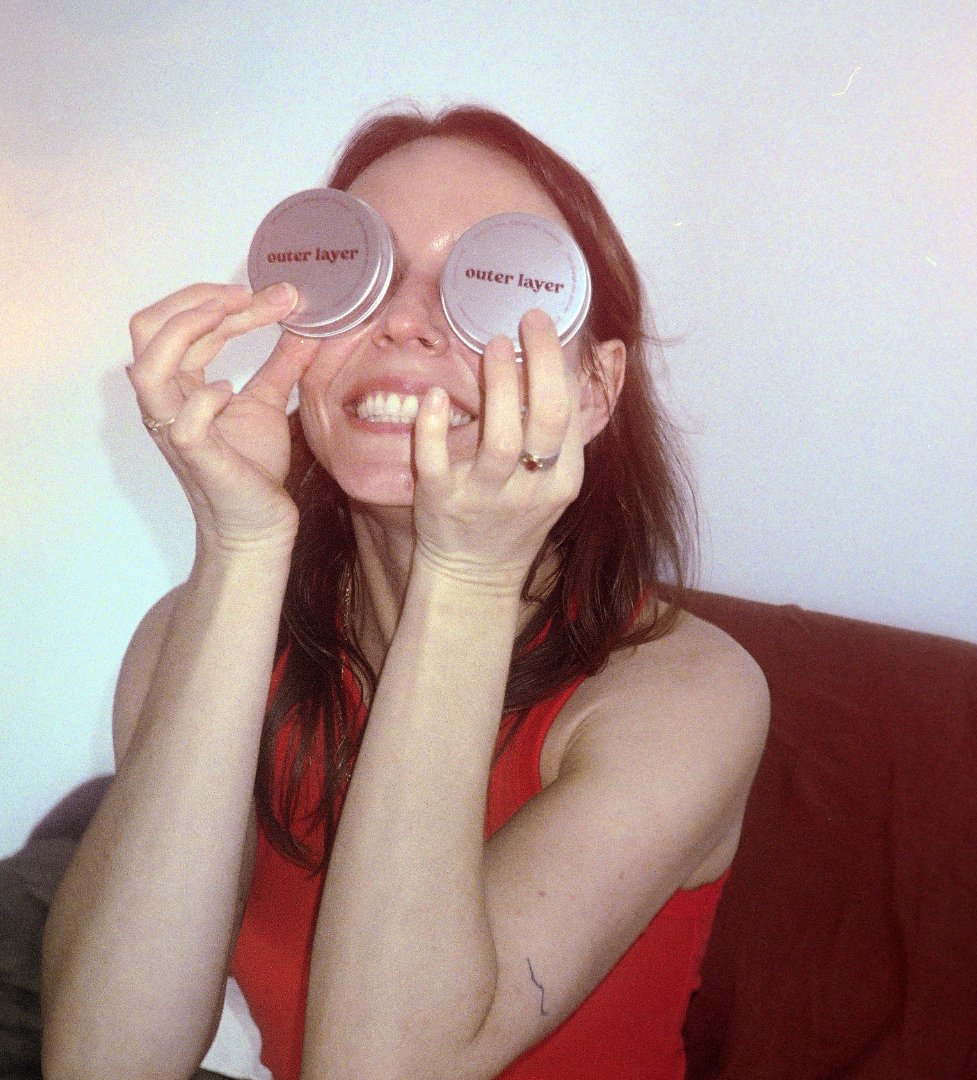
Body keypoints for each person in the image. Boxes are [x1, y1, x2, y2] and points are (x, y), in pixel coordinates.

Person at [41, 104, 769, 1080]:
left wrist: (466, 574)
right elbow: (102, 1063)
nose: (403, 323)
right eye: (365, 273)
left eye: (489, 284)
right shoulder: (193, 634)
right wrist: (238, 549)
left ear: (593, 391)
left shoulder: (688, 695)